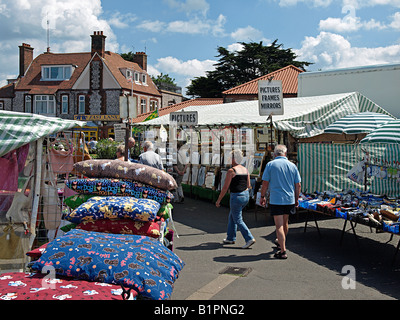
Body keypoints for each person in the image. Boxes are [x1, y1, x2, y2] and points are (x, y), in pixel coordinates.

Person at [260, 145, 301, 259]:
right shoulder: (292, 166)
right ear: (285, 153)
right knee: (285, 222)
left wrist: (262, 196)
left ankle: (283, 250)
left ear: (274, 154)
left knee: (279, 225)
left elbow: (265, 183)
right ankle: (281, 243)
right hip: (289, 198)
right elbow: (298, 185)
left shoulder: (271, 165)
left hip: (276, 199)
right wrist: (296, 198)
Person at [216, 150, 256, 249]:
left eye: (230, 157)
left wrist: (219, 200)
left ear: (234, 159)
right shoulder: (245, 169)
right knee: (233, 216)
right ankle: (230, 237)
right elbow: (249, 185)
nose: (229, 159)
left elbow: (225, 187)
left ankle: (249, 238)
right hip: (245, 195)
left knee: (238, 218)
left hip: (236, 196)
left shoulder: (231, 171)